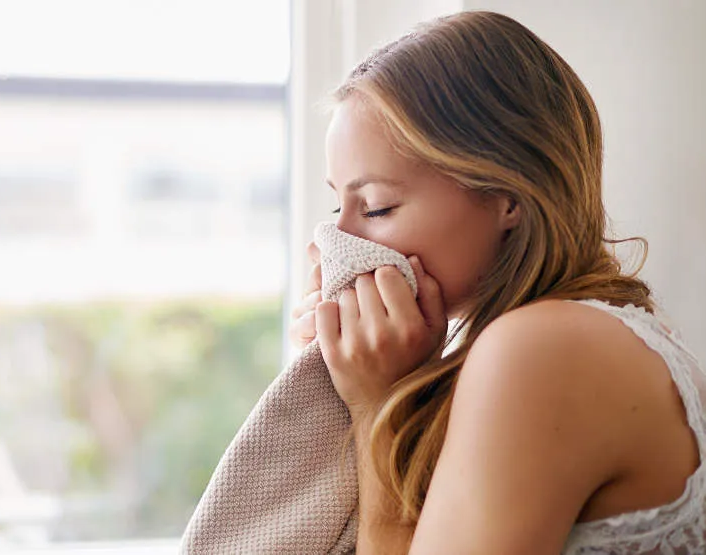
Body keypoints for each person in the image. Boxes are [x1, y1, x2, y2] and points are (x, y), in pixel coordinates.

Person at [288, 10, 706, 555]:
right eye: (336, 203)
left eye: (376, 206)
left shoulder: (541, 348)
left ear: (507, 197)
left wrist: (374, 407)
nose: (337, 239)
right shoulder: (567, 333)